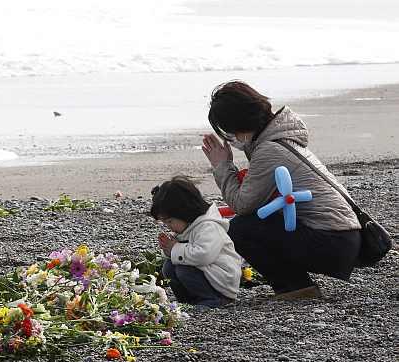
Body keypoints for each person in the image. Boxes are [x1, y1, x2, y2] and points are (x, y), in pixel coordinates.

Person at [202, 81, 361, 300]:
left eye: (229, 131)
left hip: (333, 243)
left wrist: (222, 166)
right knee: (252, 224)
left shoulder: (270, 150)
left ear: (238, 126)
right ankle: (296, 286)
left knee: (241, 228)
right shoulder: (280, 138)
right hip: (344, 238)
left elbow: (241, 205)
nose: (230, 138)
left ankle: (295, 288)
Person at [150, 175, 242, 307]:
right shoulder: (188, 226)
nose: (168, 226)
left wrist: (175, 249)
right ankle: (188, 300)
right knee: (168, 267)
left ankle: (213, 299)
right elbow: (183, 253)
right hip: (207, 273)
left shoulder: (208, 226)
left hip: (222, 280)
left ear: (184, 212)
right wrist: (168, 249)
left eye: (170, 221)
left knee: (183, 269)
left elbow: (203, 255)